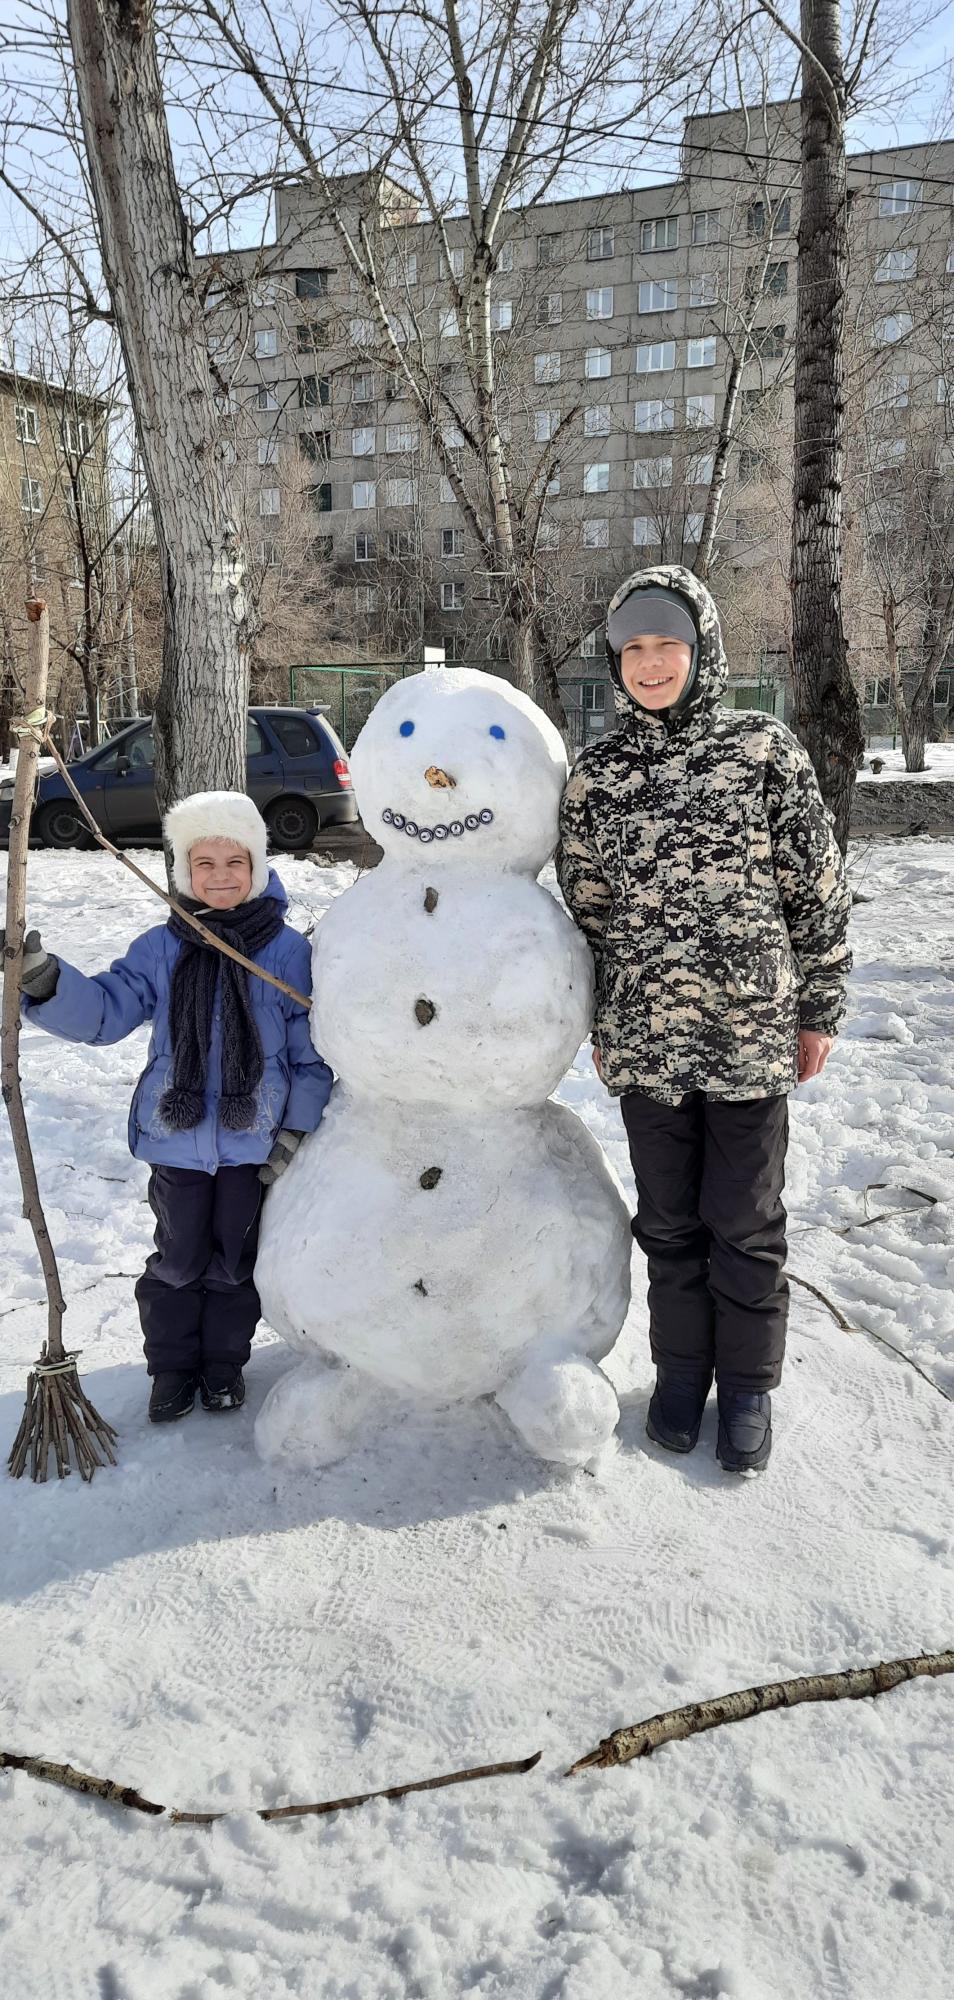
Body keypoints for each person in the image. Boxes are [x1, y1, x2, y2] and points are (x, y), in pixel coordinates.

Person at [558, 565, 852, 1475]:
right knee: (671, 1223)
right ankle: (682, 1373)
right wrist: (605, 1020)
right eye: (633, 648)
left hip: (750, 1040)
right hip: (648, 1044)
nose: (650, 663)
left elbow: (816, 888)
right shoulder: (600, 776)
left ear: (703, 648)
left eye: (667, 643)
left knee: (746, 1221)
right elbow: (588, 909)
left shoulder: (762, 750)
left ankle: (750, 1387)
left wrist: (821, 1004)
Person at [6, 791, 332, 1425]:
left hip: (252, 1140)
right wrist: (47, 984)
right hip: (176, 1137)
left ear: (258, 867)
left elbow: (309, 1057)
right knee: (179, 1259)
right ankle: (172, 1368)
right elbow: (107, 1011)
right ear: (183, 871)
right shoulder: (163, 946)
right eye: (202, 863)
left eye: (234, 862)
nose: (219, 877)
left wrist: (295, 1128)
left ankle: (223, 1366)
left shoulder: (287, 952)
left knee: (236, 1260)